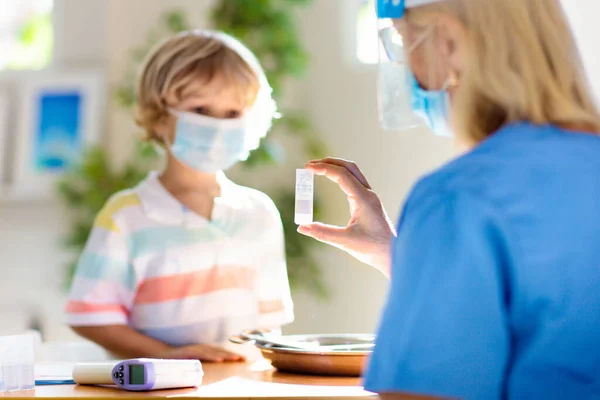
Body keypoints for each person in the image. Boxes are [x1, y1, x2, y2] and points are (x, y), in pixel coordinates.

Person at [298, 0, 600, 399]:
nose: (403, 67)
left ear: (450, 41)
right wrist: (395, 253)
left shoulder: (459, 197)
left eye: (400, 42)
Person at [65, 31, 294, 362]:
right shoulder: (126, 216)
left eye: (232, 113)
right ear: (159, 115)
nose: (217, 126)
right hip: (156, 389)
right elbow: (90, 317)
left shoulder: (259, 214)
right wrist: (171, 355)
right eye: (199, 108)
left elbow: (269, 327)